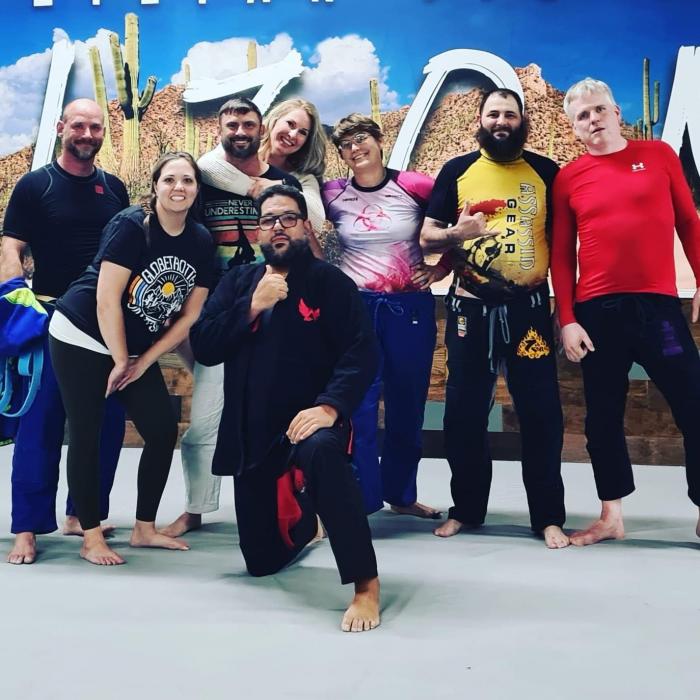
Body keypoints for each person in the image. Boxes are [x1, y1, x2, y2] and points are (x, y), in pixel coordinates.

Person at [190, 184, 380, 632]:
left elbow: (361, 353)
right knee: (261, 563)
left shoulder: (329, 283)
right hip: (254, 431)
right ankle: (307, 523)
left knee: (323, 455)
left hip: (311, 420)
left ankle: (365, 586)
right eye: (269, 220)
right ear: (258, 231)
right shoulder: (239, 282)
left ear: (305, 226)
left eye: (288, 218)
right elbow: (205, 345)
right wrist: (252, 306)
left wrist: (330, 408)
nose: (278, 227)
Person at [551, 77, 700, 546]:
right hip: (597, 313)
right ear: (574, 127)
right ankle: (611, 516)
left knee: (695, 404)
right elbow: (561, 254)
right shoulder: (569, 177)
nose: (592, 119)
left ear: (617, 113)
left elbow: (689, 221)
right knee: (602, 417)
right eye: (582, 115)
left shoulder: (659, 156)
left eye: (599, 109)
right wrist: (568, 319)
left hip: (658, 309)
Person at [47, 152, 214, 565]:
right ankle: (90, 536)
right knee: (86, 432)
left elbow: (189, 315)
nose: (178, 188)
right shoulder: (132, 225)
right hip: (82, 335)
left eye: (188, 180)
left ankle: (144, 528)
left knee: (161, 430)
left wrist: (142, 361)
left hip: (134, 348)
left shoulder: (199, 240)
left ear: (197, 189)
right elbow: (106, 299)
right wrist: (121, 360)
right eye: (170, 179)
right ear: (155, 185)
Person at [421, 88, 569, 548]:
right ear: (480, 121)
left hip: (530, 313)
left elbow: (563, 244)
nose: (501, 121)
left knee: (541, 414)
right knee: (463, 414)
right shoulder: (457, 170)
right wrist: (457, 232)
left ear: (522, 121)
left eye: (509, 114)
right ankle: (466, 510)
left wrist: (565, 310)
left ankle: (547, 517)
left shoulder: (546, 172)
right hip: (469, 312)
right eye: (493, 114)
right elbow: (427, 238)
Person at [162, 97, 303, 538]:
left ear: (261, 129)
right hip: (219, 315)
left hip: (274, 311)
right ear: (219, 130)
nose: (240, 131)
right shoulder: (203, 179)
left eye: (248, 124)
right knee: (204, 421)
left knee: (285, 418)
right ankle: (196, 508)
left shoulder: (283, 182)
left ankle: (300, 510)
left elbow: (297, 238)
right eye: (232, 124)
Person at [1, 98, 128, 565]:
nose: (87, 134)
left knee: (106, 425)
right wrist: (20, 308)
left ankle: (81, 514)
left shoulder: (113, 189)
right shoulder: (36, 185)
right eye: (79, 125)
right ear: (61, 128)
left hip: (105, 324)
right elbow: (11, 249)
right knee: (41, 425)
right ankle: (27, 527)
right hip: (52, 318)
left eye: (96, 127)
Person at [323, 113, 445, 517]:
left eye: (361, 139)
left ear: (379, 141)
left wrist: (442, 268)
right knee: (358, 407)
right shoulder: (332, 193)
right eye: (346, 145)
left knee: (407, 404)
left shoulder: (414, 185)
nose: (355, 148)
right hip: (356, 310)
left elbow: (460, 220)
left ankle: (402, 495)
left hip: (409, 309)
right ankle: (362, 499)